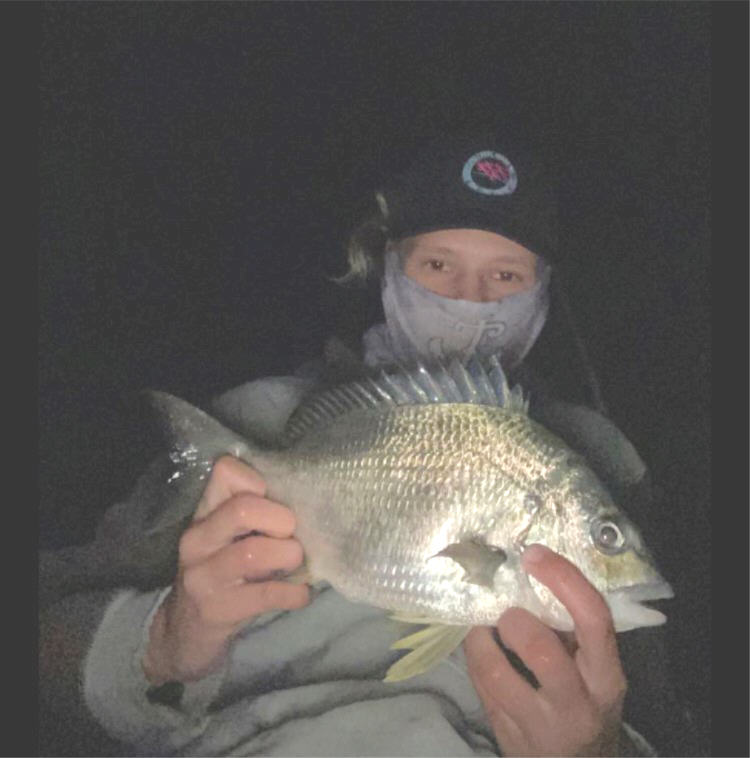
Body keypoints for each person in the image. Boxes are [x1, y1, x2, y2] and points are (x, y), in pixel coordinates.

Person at [40, 133, 678, 756]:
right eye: (437, 265)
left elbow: (665, 712)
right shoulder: (257, 418)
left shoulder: (601, 451)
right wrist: (161, 642)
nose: (468, 300)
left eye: (505, 274)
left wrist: (601, 748)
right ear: (384, 268)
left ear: (543, 295)